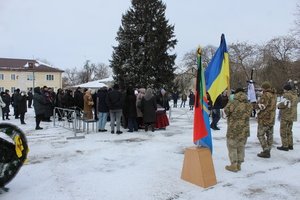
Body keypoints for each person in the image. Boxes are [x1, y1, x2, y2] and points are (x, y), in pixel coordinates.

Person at [224, 88, 252, 172]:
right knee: (241, 146)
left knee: (232, 145)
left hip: (233, 128)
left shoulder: (233, 102)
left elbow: (226, 111)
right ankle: (239, 164)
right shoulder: (248, 103)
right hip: (244, 129)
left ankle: (233, 165)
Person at [256, 81, 277, 158]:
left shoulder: (265, 95)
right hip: (271, 118)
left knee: (260, 135)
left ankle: (266, 150)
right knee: (270, 135)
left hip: (264, 119)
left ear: (264, 88)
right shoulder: (274, 95)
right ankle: (268, 149)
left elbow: (261, 106)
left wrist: (255, 105)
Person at [277, 84, 295, 151]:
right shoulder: (294, 95)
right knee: (289, 130)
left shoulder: (286, 95)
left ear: (286, 89)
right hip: (291, 115)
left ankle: (285, 145)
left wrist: (278, 106)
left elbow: (283, 104)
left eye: (284, 89)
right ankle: (290, 144)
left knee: (283, 130)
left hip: (285, 115)